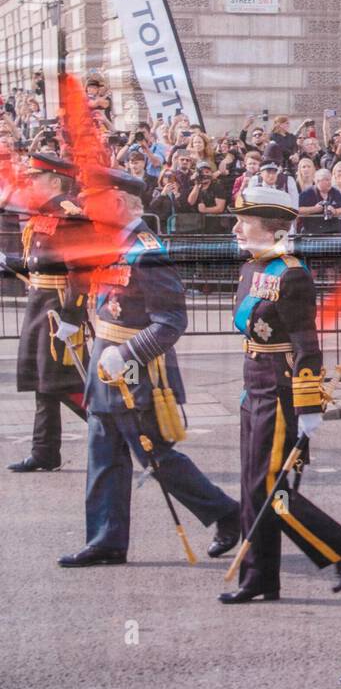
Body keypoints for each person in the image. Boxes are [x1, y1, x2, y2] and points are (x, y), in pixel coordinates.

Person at [57, 167, 240, 567]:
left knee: (156, 458)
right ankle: (106, 540)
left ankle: (228, 514)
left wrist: (126, 354)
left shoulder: (146, 251)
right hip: (106, 370)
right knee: (103, 457)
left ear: (119, 203)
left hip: (137, 375)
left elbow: (171, 321)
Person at [219, 186, 341, 602]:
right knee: (253, 486)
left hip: (282, 390)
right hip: (254, 383)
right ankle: (260, 578)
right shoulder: (251, 268)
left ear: (271, 230)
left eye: (245, 223)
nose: (237, 228)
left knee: (270, 487)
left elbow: (307, 344)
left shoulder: (292, 274)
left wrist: (307, 406)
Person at [4, 154, 89, 472]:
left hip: (57, 306)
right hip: (40, 302)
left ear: (54, 181)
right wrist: (9, 260)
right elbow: (39, 261)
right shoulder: (45, 214)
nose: (30, 184)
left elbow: (82, 270)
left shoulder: (69, 215)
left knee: (66, 383)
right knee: (43, 382)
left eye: (35, 178)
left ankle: (122, 434)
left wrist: (72, 316)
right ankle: (44, 451)